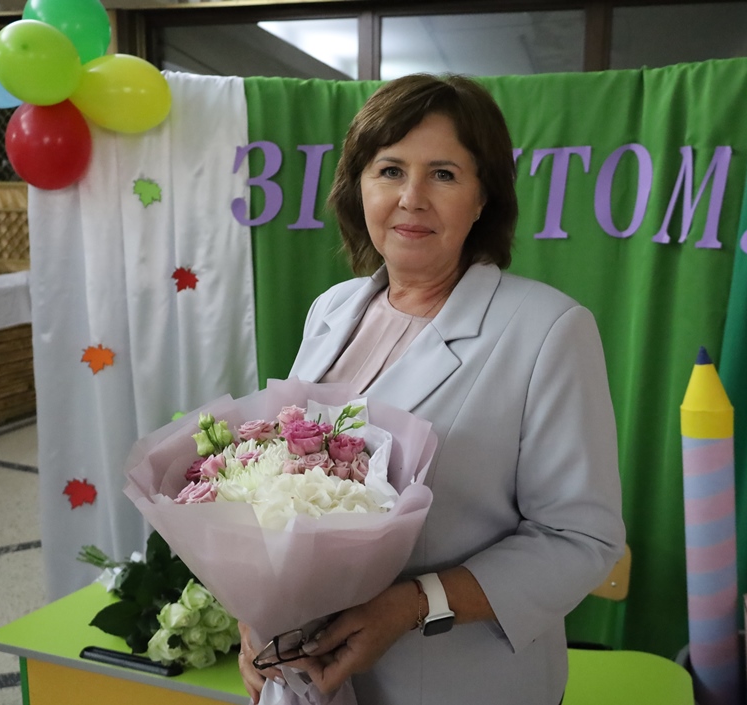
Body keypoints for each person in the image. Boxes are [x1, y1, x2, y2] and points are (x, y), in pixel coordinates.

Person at [238, 73, 625, 705]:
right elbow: (287, 477)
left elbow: (581, 540)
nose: (411, 198)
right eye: (389, 170)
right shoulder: (331, 309)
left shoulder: (548, 329)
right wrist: (254, 609)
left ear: (483, 198)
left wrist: (415, 604)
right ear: (358, 186)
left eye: (443, 174)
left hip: (453, 681)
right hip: (305, 675)